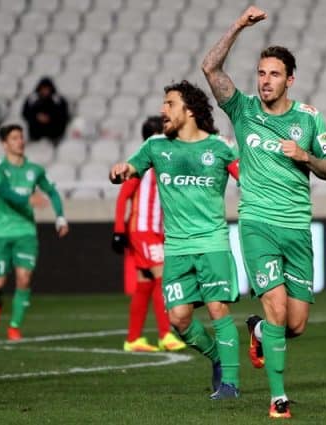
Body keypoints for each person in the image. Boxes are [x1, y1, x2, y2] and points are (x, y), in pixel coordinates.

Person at [202, 5, 326, 418]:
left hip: (297, 228)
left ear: (289, 79)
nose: (265, 80)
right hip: (257, 224)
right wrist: (239, 25)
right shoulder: (243, 110)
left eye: (274, 74)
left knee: (294, 324)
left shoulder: (309, 119)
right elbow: (210, 68)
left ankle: (258, 331)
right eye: (261, 73)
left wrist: (306, 157)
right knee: (277, 308)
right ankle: (278, 398)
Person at [109, 80, 241, 400]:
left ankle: (230, 384)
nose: (162, 110)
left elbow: (249, 179)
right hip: (177, 248)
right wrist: (122, 169)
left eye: (170, 104)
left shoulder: (221, 147)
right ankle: (217, 358)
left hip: (212, 243)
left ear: (189, 110)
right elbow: (132, 167)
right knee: (179, 319)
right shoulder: (156, 146)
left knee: (217, 308)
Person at [0, 123, 69, 341]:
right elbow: (3, 191)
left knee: (24, 278)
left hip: (26, 233)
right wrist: (27, 199)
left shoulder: (35, 170)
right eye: (14, 138)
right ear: (4, 144)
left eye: (21, 137)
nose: (20, 142)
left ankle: (14, 326)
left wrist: (60, 217)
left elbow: (52, 192)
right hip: (0, 233)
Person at [112, 115, 186, 353]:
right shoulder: (140, 165)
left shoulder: (162, 163)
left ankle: (133, 339)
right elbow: (123, 196)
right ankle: (166, 335)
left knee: (145, 285)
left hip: (155, 232)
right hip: (142, 231)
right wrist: (118, 231)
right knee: (163, 279)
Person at [22, 77, 70, 144]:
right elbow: (25, 113)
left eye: (47, 89)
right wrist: (37, 117)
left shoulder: (59, 100)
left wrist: (50, 118)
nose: (45, 91)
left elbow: (65, 115)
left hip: (54, 133)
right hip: (36, 132)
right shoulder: (32, 100)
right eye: (43, 89)